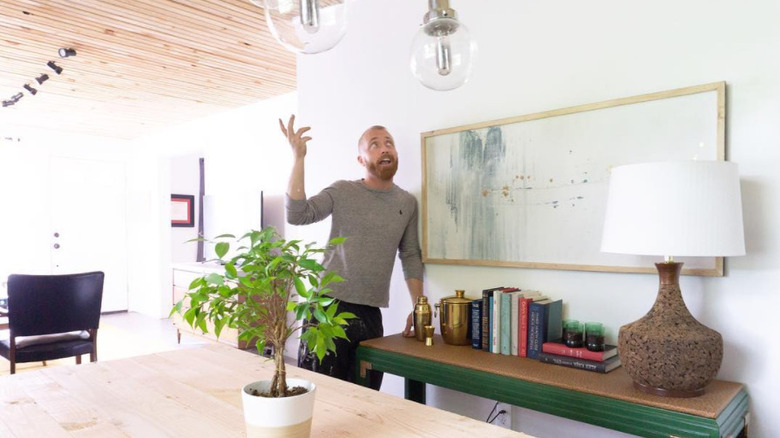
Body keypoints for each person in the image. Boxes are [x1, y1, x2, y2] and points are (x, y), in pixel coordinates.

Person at [281, 114, 424, 390]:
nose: (384, 148)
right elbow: (298, 215)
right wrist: (298, 158)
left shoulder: (407, 202)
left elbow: (409, 255)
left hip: (371, 316)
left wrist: (419, 306)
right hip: (327, 309)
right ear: (361, 159)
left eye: (389, 143)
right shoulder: (342, 190)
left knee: (365, 398)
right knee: (321, 397)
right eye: (374, 144)